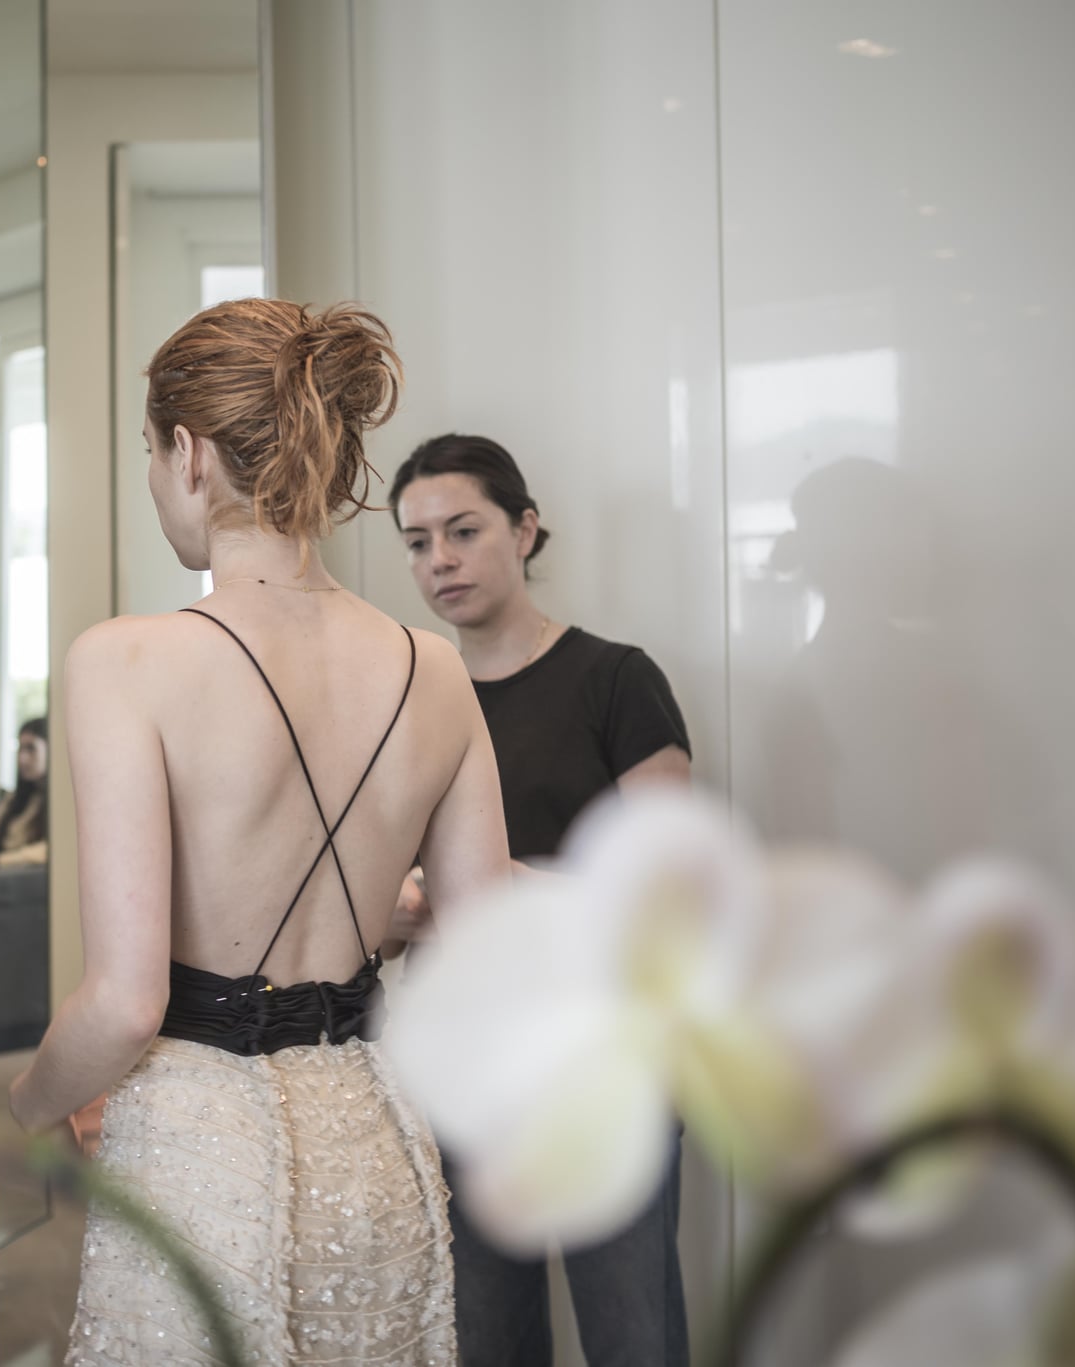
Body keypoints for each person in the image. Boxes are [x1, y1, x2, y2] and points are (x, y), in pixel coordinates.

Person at [5, 300, 511, 1364]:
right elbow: (483, 953)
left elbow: (123, 999)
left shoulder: (125, 660)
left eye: (149, 452)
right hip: (375, 1141)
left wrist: (28, 1098)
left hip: (200, 1152)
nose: (154, 480)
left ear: (188, 454)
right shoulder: (434, 670)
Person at [388, 431, 692, 1367]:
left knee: (632, 1330)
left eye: (463, 529)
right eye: (416, 541)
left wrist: (487, 887)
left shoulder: (615, 679)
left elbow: (664, 884)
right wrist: (401, 902)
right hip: (465, 1062)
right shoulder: (410, 701)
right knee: (488, 1336)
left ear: (524, 530)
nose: (439, 559)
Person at [0, 716, 48, 867]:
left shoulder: (56, 805)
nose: (22, 759)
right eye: (20, 748)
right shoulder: (12, 800)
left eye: (31, 749)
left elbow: (48, 851)